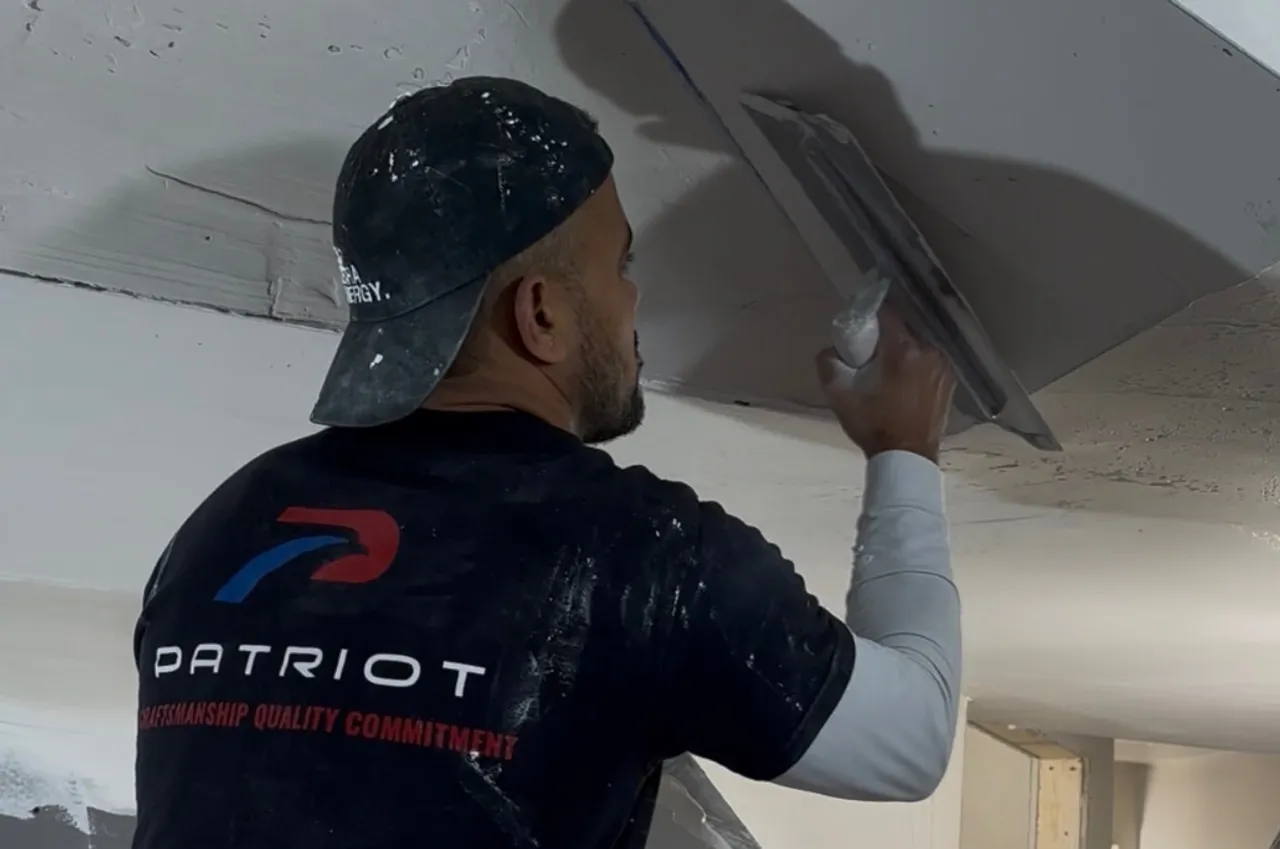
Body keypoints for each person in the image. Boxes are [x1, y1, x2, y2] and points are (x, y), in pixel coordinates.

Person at [131, 76, 961, 849]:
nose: (635, 300)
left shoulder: (219, 528)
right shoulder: (641, 558)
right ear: (541, 315)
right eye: (621, 266)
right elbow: (911, 737)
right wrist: (904, 451)